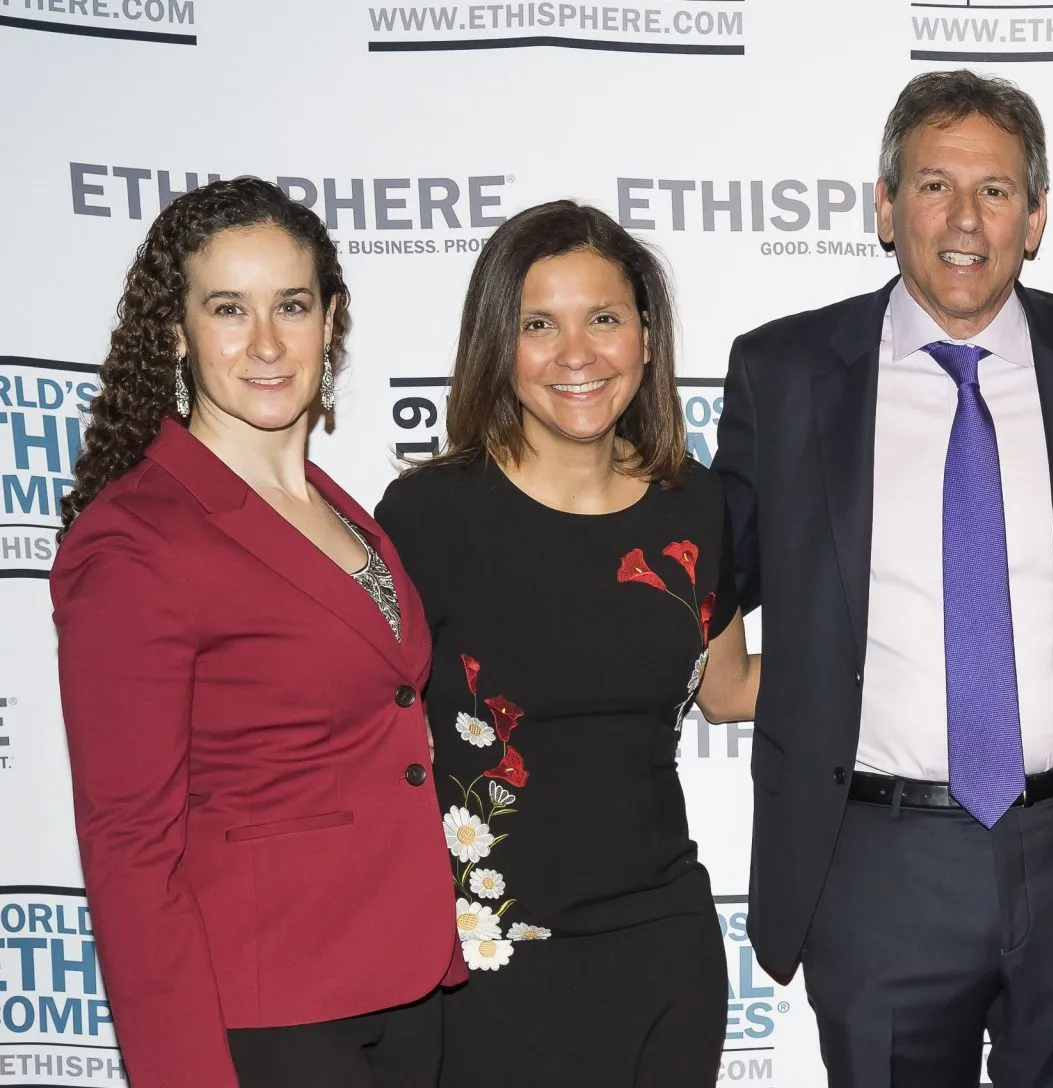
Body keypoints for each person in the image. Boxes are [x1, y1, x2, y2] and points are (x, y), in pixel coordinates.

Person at [712, 69, 1053, 1088]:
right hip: (878, 865)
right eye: (933, 186)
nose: (965, 219)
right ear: (885, 206)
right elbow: (700, 568)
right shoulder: (785, 373)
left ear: (1034, 217)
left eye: (995, 190)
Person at [52, 176, 461, 1088]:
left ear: (330, 322)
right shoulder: (137, 539)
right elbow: (128, 847)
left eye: (293, 306)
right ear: (176, 330)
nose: (267, 344)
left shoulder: (340, 510)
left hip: (405, 982)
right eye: (229, 308)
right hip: (271, 1009)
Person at [371, 200, 754, 1087]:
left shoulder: (694, 503)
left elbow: (730, 687)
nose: (576, 354)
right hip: (488, 959)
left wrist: (904, 657)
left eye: (604, 319)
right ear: (497, 347)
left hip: (661, 949)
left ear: (646, 338)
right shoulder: (428, 517)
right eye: (538, 325)